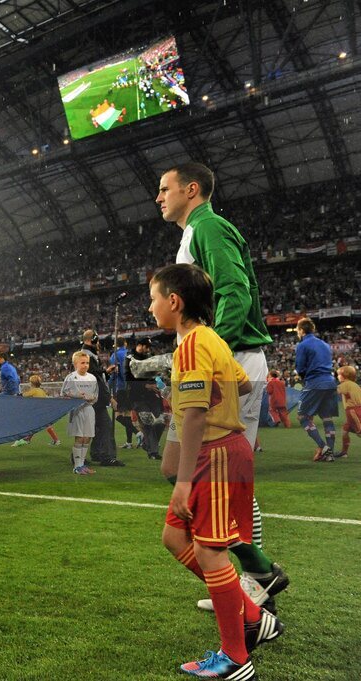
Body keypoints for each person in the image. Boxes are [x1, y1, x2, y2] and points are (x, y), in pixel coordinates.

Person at [156, 162, 287, 612]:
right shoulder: (194, 233)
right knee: (176, 466)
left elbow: (236, 291)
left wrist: (213, 353)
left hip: (230, 363)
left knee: (220, 478)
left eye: (165, 188)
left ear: (191, 190)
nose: (159, 197)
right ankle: (254, 572)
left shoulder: (209, 227)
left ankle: (255, 577)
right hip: (217, 361)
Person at [150, 264, 281, 681]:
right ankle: (252, 615)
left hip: (215, 454)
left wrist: (183, 480)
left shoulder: (190, 347)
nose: (151, 306)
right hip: (224, 450)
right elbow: (241, 384)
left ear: (174, 301)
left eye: (154, 298)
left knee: (210, 550)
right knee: (175, 537)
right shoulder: (213, 340)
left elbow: (192, 418)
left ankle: (235, 659)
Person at [294, 318, 339, 461]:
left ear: (301, 330)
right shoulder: (325, 344)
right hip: (330, 382)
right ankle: (330, 452)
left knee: (302, 416)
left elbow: (300, 368)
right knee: (327, 418)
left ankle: (323, 447)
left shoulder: (302, 345)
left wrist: (301, 378)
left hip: (314, 383)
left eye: (297, 329)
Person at [80, 331, 123, 466]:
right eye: (97, 341)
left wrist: (106, 372)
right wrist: (109, 398)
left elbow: (95, 375)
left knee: (96, 428)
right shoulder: (88, 355)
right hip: (94, 398)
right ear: (92, 340)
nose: (98, 344)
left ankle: (95, 453)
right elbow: (95, 379)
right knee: (105, 426)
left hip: (91, 398)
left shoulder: (86, 354)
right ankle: (106, 456)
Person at [126, 338, 164, 460]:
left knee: (161, 421)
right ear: (140, 346)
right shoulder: (129, 359)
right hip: (138, 397)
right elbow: (129, 380)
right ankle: (153, 452)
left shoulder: (149, 357)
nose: (148, 349)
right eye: (146, 347)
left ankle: (146, 443)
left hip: (152, 397)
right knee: (147, 423)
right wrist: (146, 385)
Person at [61, 352, 97, 475]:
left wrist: (92, 398)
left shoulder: (92, 378)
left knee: (87, 438)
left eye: (87, 363)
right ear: (75, 364)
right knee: (80, 437)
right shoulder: (71, 378)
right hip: (76, 410)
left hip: (88, 409)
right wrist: (77, 395)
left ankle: (82, 465)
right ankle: (77, 466)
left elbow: (96, 395)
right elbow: (64, 394)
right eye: (82, 363)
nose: (85, 365)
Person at [15, 375, 61, 446]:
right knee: (44, 426)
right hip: (44, 411)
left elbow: (24, 395)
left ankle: (27, 440)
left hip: (39, 412)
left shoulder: (34, 390)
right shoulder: (41, 391)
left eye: (30, 382)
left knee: (34, 426)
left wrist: (16, 395)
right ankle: (55, 440)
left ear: (32, 383)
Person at [110, 338, 136, 449]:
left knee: (118, 416)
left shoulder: (114, 356)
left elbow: (114, 373)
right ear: (125, 343)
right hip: (131, 387)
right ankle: (129, 443)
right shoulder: (131, 354)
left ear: (116, 344)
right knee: (127, 415)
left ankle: (139, 433)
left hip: (121, 387)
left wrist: (109, 384)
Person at [335, 365, 361, 459]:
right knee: (345, 431)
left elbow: (335, 391)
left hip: (352, 411)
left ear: (344, 375)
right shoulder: (355, 384)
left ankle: (344, 452)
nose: (337, 376)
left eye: (339, 374)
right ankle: (344, 452)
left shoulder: (345, 384)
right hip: (357, 409)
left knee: (359, 432)